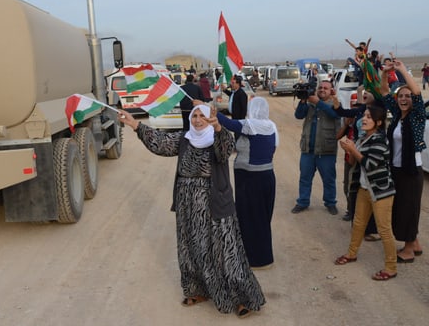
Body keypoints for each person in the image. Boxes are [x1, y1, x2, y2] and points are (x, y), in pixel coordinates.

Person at [117, 105, 265, 318]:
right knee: (191, 247)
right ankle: (198, 290)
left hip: (214, 202)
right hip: (187, 203)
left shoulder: (219, 138)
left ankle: (240, 298)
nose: (197, 120)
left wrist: (219, 129)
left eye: (202, 116)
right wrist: (134, 124)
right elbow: (161, 143)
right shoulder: (185, 138)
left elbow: (225, 151)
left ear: (210, 118)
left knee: (225, 250)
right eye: (194, 116)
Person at [335, 105, 397, 281]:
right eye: (364, 116)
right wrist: (349, 149)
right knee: (358, 223)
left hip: (381, 191)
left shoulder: (380, 140)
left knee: (384, 230)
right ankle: (351, 253)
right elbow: (355, 161)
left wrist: (353, 149)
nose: (364, 119)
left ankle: (391, 267)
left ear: (378, 122)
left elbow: (369, 165)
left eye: (369, 117)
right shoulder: (364, 138)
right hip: (365, 188)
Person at [216, 97, 278, 269]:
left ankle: (256, 260)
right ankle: (263, 256)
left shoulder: (251, 125)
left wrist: (209, 109)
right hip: (267, 177)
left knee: (250, 219)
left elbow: (227, 123)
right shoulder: (271, 126)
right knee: (262, 219)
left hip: (250, 180)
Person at [377, 59, 425, 263]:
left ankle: (407, 250)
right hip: (397, 168)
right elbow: (384, 90)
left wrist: (402, 70)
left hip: (411, 171)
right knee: (402, 207)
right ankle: (414, 242)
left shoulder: (417, 116)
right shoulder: (397, 115)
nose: (404, 99)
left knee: (408, 208)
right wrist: (385, 73)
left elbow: (416, 92)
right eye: (401, 96)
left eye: (407, 97)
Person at [332, 87, 380, 240]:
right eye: (364, 92)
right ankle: (357, 225)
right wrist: (334, 97)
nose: (365, 94)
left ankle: (372, 229)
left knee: (371, 191)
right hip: (356, 153)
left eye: (368, 91)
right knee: (354, 189)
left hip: (370, 154)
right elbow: (341, 111)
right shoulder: (361, 110)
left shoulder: (379, 110)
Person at [292, 80, 341, 215]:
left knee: (329, 179)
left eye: (326, 88)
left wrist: (317, 102)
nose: (322, 90)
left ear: (331, 91)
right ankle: (303, 202)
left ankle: (330, 203)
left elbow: (335, 114)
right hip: (308, 149)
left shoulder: (335, 105)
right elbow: (298, 115)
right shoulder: (310, 104)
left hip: (326, 150)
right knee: (305, 178)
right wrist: (303, 101)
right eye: (320, 88)